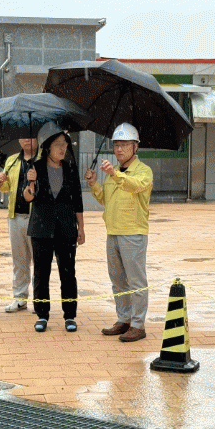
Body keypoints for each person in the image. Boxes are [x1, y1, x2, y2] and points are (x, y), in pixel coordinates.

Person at [84, 123, 153, 342]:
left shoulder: (143, 171)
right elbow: (105, 199)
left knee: (136, 281)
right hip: (112, 231)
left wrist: (114, 174)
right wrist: (94, 184)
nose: (119, 149)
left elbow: (134, 186)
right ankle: (124, 319)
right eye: (116, 145)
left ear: (135, 146)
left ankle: (138, 324)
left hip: (133, 232)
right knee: (118, 280)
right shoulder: (113, 171)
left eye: (124, 145)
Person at [23, 122, 85, 333]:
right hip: (41, 228)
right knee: (41, 273)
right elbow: (27, 197)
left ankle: (70, 316)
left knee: (68, 273)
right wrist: (31, 183)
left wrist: (81, 227)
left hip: (66, 227)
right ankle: (42, 315)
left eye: (65, 144)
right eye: (58, 144)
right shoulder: (35, 167)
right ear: (48, 146)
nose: (62, 148)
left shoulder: (70, 168)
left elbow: (77, 200)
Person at [0, 136, 40, 313]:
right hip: (15, 216)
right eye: (22, 137)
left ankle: (40, 299)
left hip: (37, 218)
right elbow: (7, 187)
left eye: (31, 136)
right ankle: (20, 297)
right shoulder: (12, 160)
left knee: (39, 260)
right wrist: (0, 182)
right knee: (19, 260)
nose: (27, 140)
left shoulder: (44, 159)